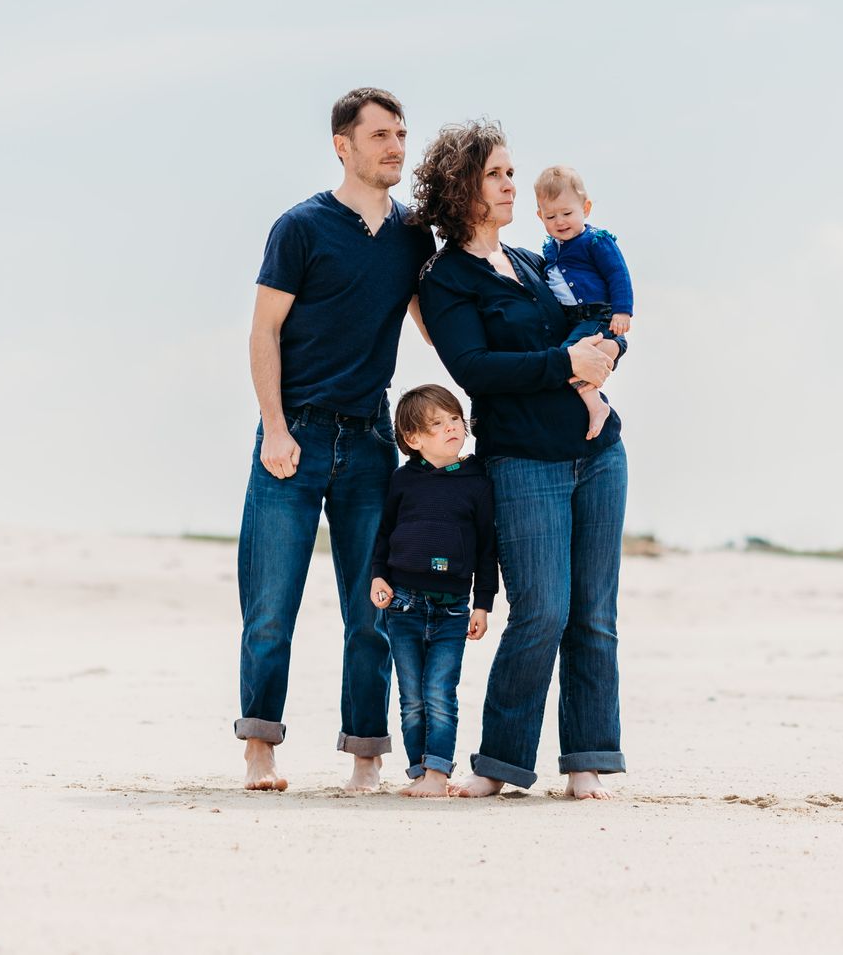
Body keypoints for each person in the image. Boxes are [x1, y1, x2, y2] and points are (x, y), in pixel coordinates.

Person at [411, 120, 630, 801]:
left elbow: (593, 323)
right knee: (541, 611)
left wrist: (609, 348)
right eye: (498, 174)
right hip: (523, 462)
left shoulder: (539, 261)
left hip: (598, 454)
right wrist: (564, 360)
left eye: (512, 173)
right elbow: (476, 367)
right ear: (463, 187)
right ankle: (500, 762)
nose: (513, 184)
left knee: (594, 613)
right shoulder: (446, 279)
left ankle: (586, 758)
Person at [233, 87, 434, 793]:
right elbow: (264, 331)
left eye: (401, 133)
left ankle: (365, 757)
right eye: (380, 134)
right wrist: (276, 428)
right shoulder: (301, 227)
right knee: (270, 606)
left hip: (371, 438)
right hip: (297, 433)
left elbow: (432, 322)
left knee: (371, 609)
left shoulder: (415, 237)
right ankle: (261, 747)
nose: (395, 146)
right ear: (342, 145)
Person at [367, 384, 498, 799]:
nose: (451, 428)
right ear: (413, 439)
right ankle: (420, 771)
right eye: (437, 424)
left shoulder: (477, 481)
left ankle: (438, 773)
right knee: (411, 697)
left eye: (455, 419)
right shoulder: (402, 481)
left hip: (453, 609)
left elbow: (486, 548)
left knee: (440, 691)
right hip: (403, 603)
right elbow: (384, 534)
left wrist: (483, 604)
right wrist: (378, 576)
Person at [533, 165, 635, 439]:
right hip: (573, 319)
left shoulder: (595, 241)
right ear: (540, 216)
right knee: (568, 356)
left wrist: (623, 311)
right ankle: (593, 399)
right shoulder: (550, 249)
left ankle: (596, 405)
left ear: (585, 208)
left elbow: (618, 274)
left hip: (597, 316)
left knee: (568, 357)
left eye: (567, 213)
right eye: (551, 216)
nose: (560, 221)